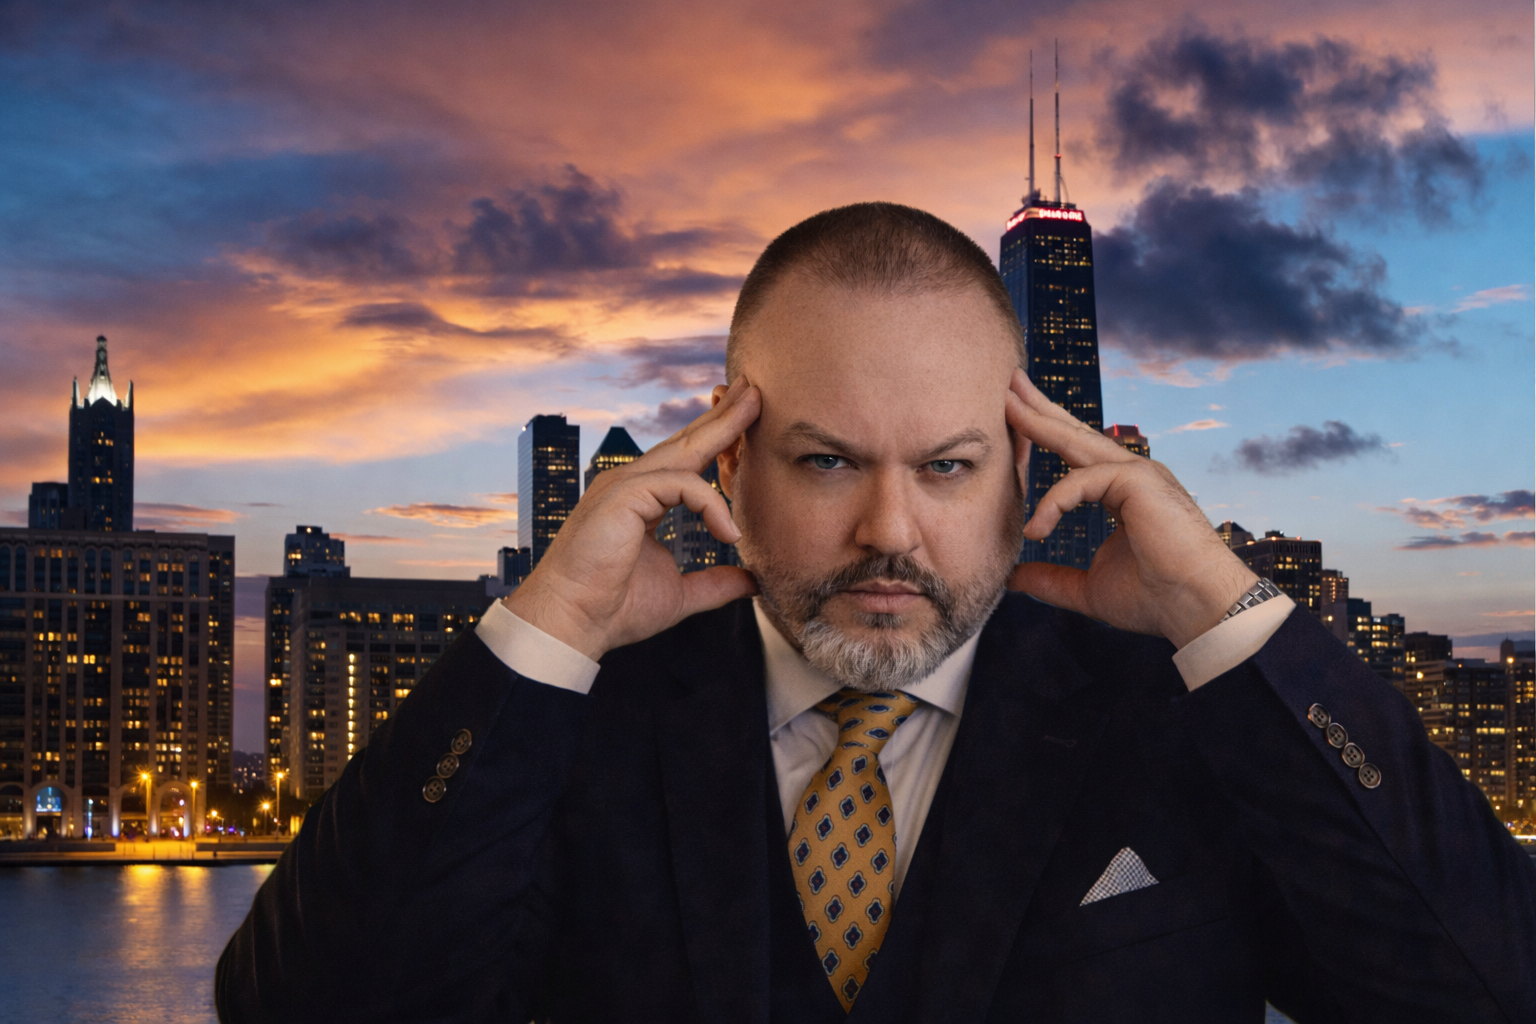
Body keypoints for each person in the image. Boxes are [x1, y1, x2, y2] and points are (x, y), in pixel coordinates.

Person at [217, 203, 1535, 1023]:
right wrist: (542, 630)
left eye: (949, 468)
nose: (890, 532)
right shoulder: (583, 726)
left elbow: (1489, 992)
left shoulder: (1181, 707)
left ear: (1029, 467)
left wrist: (1229, 615)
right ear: (728, 463)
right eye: (829, 459)